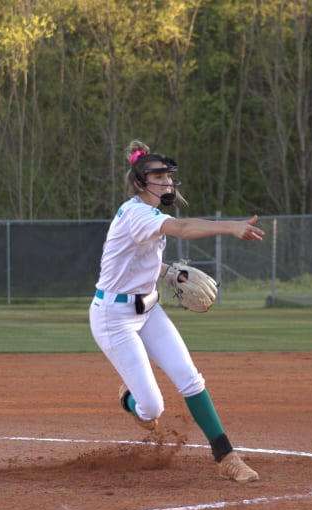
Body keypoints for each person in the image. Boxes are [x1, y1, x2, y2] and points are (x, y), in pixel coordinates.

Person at [89, 139, 266, 483]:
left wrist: (168, 271)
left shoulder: (149, 216)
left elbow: (138, 261)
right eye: (159, 176)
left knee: (190, 378)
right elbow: (183, 228)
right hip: (113, 318)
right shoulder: (137, 213)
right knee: (152, 409)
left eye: (169, 176)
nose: (167, 182)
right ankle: (130, 401)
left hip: (149, 310)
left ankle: (226, 456)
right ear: (141, 182)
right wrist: (230, 227)